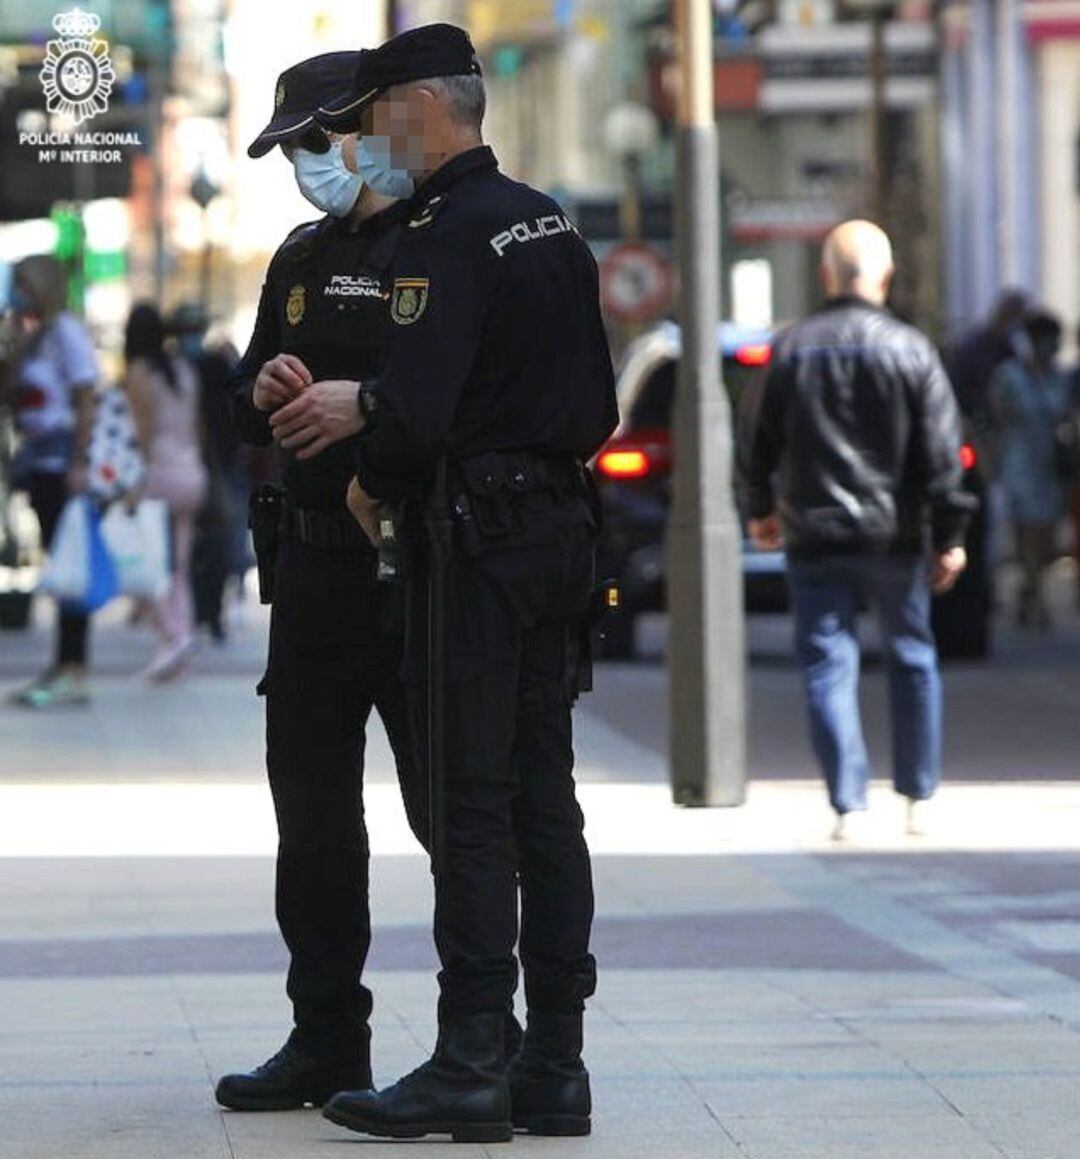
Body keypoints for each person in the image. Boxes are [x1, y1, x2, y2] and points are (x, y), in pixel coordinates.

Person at [289, 24, 618, 1143]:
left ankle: (473, 1053)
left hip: (474, 542)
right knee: (545, 798)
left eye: (378, 111)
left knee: (471, 801)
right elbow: (599, 404)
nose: (367, 134)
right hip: (562, 532)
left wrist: (369, 456)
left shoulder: (446, 232)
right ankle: (557, 1062)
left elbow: (416, 414)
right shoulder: (546, 218)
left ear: (423, 110)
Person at [212, 52, 426, 1113]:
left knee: (454, 811)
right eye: (293, 150)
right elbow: (246, 404)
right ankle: (325, 1036)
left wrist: (368, 401)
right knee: (312, 817)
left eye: (315, 143)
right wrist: (266, 387)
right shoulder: (297, 256)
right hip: (312, 573)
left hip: (418, 570)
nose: (306, 166)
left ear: (374, 129)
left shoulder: (444, 244)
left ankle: (493, 1034)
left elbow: (469, 387)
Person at [741, 220, 971, 842]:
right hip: (894, 536)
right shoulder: (910, 349)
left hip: (815, 533)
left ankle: (847, 802)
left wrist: (761, 507)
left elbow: (758, 438)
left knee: (825, 662)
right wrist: (949, 531)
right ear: (886, 277)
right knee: (913, 655)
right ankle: (918, 795)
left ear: (825, 276)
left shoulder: (793, 349)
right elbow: (943, 453)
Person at [6, 255, 98, 708]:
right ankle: (64, 663)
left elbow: (85, 396)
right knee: (60, 565)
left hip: (61, 462)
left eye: (24, 284)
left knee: (70, 567)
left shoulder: (64, 332)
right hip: (40, 462)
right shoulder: (37, 334)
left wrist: (79, 462)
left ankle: (73, 665)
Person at [123, 302, 207, 680]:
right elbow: (196, 426)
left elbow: (141, 431)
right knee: (180, 568)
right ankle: (180, 642)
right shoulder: (184, 371)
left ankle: (172, 636)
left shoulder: (140, 373)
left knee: (149, 564)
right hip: (191, 473)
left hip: (157, 473)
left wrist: (133, 481)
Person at [989, 309, 1072, 630]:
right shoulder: (1010, 375)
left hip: (1049, 463)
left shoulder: (1060, 378)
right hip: (1019, 461)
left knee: (1048, 537)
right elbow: (997, 416)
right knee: (1026, 533)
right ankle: (1036, 596)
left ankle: (1032, 588)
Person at [167, 302, 242, 643]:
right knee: (191, 546)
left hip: (215, 467)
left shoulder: (213, 367)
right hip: (189, 466)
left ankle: (209, 611)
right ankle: (196, 611)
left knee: (217, 544)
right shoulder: (175, 367)